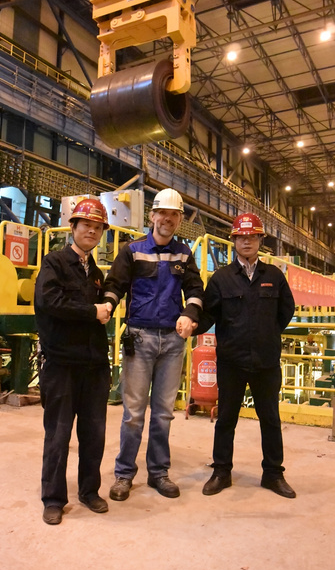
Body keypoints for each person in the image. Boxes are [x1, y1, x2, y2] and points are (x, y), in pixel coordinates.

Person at [103, 188, 204, 501]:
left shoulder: (184, 253)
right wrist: (107, 305)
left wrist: (190, 314)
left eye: (174, 215)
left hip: (173, 343)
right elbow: (115, 285)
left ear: (178, 219)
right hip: (140, 339)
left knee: (163, 413)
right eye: (162, 213)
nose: (167, 220)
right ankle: (123, 475)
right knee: (133, 413)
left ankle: (159, 473)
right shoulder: (131, 251)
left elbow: (196, 289)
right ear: (152, 215)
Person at [196, 213, 296, 499]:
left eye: (252, 236)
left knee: (270, 419)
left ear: (260, 240)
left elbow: (285, 311)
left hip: (265, 362)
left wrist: (266, 334)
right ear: (234, 240)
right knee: (226, 418)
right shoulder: (222, 278)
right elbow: (208, 314)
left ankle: (273, 474)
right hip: (231, 362)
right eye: (242, 236)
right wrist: (188, 321)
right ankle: (221, 472)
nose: (247, 241)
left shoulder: (274, 276)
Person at [34, 197, 113, 525]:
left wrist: (108, 300)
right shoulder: (55, 263)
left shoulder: (95, 272)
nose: (92, 232)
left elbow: (110, 298)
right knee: (59, 433)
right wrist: (92, 311)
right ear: (73, 228)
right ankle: (53, 497)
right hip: (62, 364)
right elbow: (50, 301)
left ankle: (89, 491)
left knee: (94, 432)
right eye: (87, 226)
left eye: (98, 228)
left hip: (94, 366)